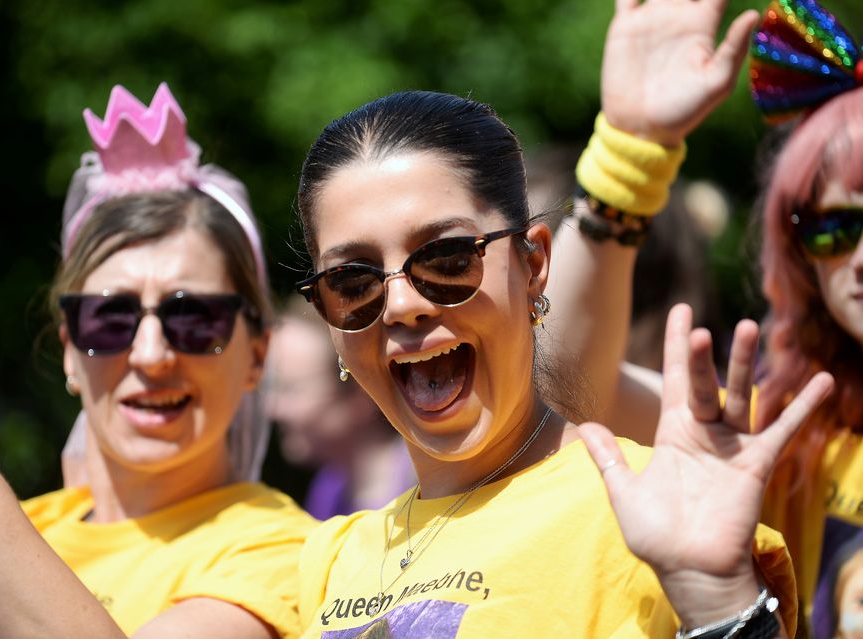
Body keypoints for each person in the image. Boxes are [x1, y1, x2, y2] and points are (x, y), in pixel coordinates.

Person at [288, 59, 831, 639]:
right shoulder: (328, 558)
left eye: (446, 258)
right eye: (352, 282)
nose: (400, 305)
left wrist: (716, 601)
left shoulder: (654, 505)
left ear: (534, 266)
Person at [0, 83, 314, 639]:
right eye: (109, 320)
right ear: (70, 351)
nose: (150, 355)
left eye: (194, 319)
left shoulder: (282, 550)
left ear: (256, 356)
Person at [543, 0, 863, 634]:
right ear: (799, 255)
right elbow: (567, 382)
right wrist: (629, 152)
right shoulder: (774, 435)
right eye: (835, 228)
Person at [266, 301, 416, 519]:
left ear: (361, 392)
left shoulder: (426, 487)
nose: (273, 408)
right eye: (270, 387)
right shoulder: (328, 488)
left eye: (291, 389)